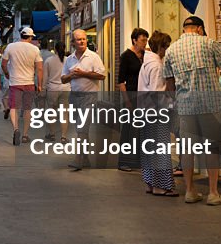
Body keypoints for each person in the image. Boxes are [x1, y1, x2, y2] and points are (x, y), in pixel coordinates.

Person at [163, 16, 221, 206]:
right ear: (199, 29)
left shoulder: (171, 50)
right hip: (210, 104)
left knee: (187, 149)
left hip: (186, 106)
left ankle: (190, 191)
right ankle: (213, 193)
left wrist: (179, 102)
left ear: (185, 29)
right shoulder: (210, 44)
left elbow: (169, 86)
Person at [138, 31, 177, 196]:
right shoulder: (157, 65)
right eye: (166, 47)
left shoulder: (147, 62)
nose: (167, 50)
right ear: (160, 47)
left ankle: (150, 182)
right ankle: (160, 185)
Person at [62, 29, 107, 170]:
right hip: (74, 96)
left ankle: (78, 158)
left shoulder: (93, 57)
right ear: (73, 42)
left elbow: (102, 75)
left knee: (82, 128)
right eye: (78, 39)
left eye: (84, 39)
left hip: (89, 96)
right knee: (81, 129)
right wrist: (72, 75)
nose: (82, 41)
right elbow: (63, 79)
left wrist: (84, 73)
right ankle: (86, 158)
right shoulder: (69, 60)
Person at [1, 26, 43, 146]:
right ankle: (25, 135)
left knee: (14, 108)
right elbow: (39, 68)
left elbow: (4, 64)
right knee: (27, 109)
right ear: (30, 37)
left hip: (15, 83)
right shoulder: (35, 49)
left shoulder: (10, 47)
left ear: (21, 36)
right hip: (29, 83)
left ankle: (16, 129)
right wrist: (39, 85)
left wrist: (7, 74)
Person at [116, 28, 149, 172]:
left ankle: (138, 160)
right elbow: (120, 81)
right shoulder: (126, 56)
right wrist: (127, 101)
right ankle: (124, 161)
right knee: (128, 130)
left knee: (141, 129)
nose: (145, 43)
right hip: (131, 95)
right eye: (142, 40)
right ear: (134, 40)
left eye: (146, 40)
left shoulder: (145, 55)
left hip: (143, 97)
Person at [43, 41, 71, 141]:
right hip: (65, 88)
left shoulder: (48, 60)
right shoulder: (69, 60)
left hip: (52, 89)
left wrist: (43, 89)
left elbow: (45, 77)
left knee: (51, 112)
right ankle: (63, 136)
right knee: (64, 113)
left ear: (55, 49)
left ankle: (52, 134)